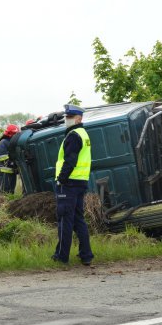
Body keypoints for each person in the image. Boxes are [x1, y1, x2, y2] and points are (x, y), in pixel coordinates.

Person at [51, 104, 94, 266]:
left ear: (78, 118)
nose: (66, 120)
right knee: (78, 219)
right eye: (66, 117)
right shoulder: (83, 134)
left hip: (68, 184)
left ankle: (61, 256)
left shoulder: (74, 135)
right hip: (80, 182)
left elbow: (70, 161)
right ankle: (86, 255)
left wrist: (61, 179)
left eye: (69, 117)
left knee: (65, 220)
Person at [0, 124, 20, 195]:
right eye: (15, 134)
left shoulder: (12, 143)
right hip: (5, 173)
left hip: (12, 172)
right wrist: (13, 164)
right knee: (4, 191)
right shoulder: (3, 142)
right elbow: (3, 157)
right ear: (10, 134)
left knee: (11, 191)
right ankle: (2, 205)